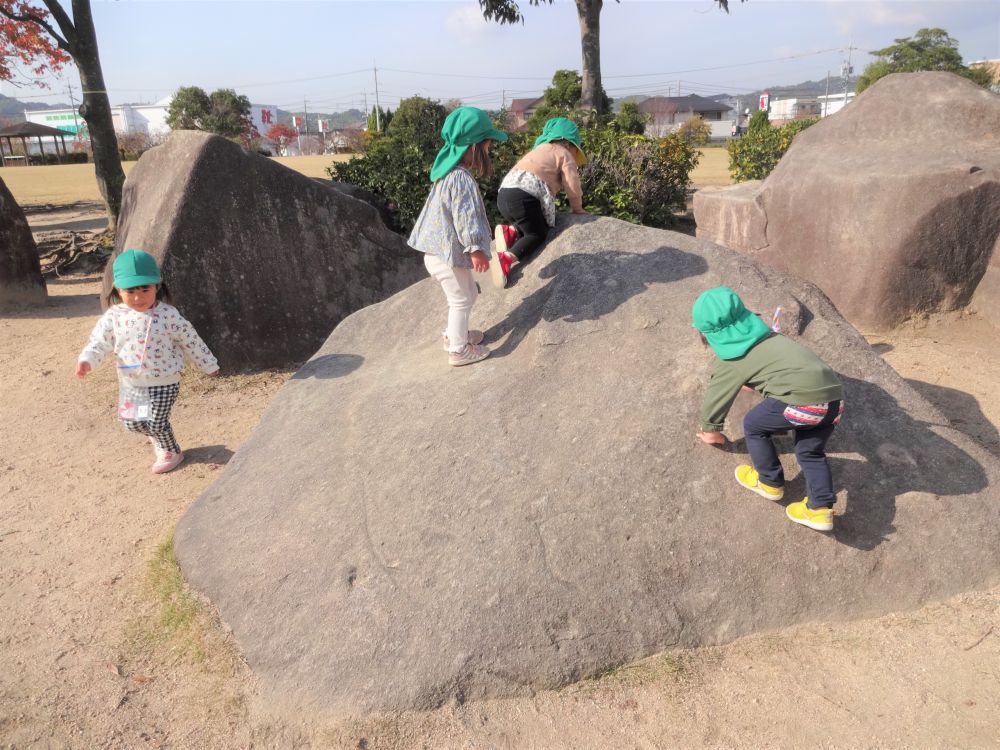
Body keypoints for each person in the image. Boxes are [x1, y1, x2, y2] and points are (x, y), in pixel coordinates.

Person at [692, 287, 845, 532]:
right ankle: (820, 510)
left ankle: (769, 482)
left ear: (707, 335)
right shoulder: (771, 339)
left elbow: (716, 398)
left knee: (753, 425)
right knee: (810, 452)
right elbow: (775, 370)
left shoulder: (731, 359)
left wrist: (711, 430)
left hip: (801, 403)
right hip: (834, 401)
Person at [75, 249, 219, 474]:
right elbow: (99, 343)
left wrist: (209, 365)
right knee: (132, 422)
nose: (138, 297)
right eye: (130, 291)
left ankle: (172, 452)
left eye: (145, 289)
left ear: (157, 287)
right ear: (117, 291)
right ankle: (158, 438)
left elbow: (190, 339)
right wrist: (87, 360)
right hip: (131, 382)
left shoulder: (168, 315)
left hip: (165, 380)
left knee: (157, 421)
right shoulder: (114, 317)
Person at [408, 106, 507, 367]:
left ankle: (455, 334)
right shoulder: (460, 179)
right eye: (487, 146)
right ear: (473, 147)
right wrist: (475, 248)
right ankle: (458, 350)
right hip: (446, 255)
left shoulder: (448, 173)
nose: (488, 151)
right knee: (461, 299)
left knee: (468, 296)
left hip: (441, 253)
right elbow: (465, 217)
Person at [492, 116, 588, 289]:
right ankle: (506, 259)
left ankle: (510, 231)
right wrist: (577, 207)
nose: (574, 155)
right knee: (537, 233)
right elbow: (571, 183)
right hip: (524, 197)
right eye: (575, 149)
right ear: (568, 143)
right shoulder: (564, 153)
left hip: (504, 193)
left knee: (527, 221)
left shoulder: (539, 149)